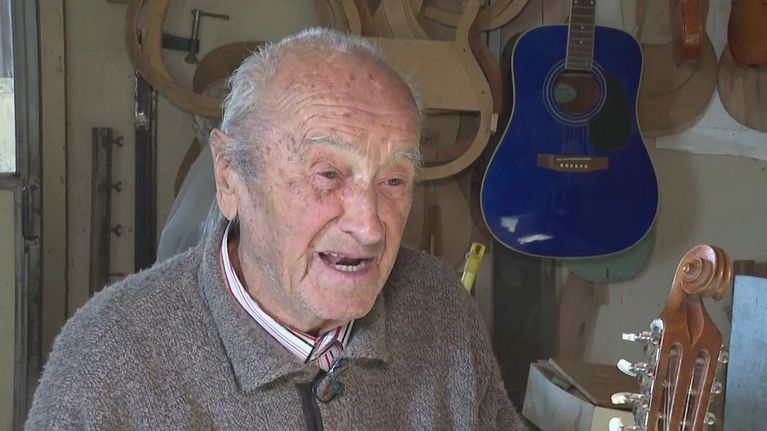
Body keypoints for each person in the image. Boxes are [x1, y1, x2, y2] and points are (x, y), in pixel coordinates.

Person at [26, 28, 529, 430]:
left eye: (394, 180)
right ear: (230, 178)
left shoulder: (439, 305)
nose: (370, 226)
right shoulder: (106, 359)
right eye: (327, 175)